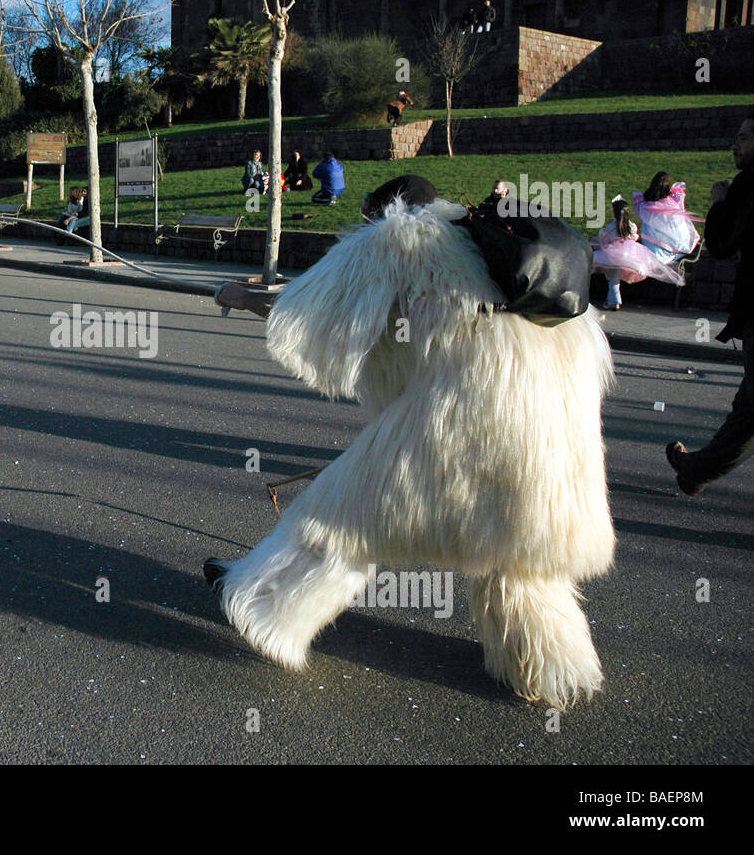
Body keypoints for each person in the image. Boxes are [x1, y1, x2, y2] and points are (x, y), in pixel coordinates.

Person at [209, 172, 615, 709]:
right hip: (560, 431)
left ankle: (263, 609)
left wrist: (241, 296)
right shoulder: (497, 248)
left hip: (470, 414)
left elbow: (312, 311)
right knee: (522, 549)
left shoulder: (400, 235)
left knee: (341, 515)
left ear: (384, 210)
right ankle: (547, 669)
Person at [667, 111, 754, 495]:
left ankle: (695, 469)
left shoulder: (747, 184)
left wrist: (720, 202)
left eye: (743, 137)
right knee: (747, 411)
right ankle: (694, 469)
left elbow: (720, 244)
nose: (734, 144)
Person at [592, 196, 683, 311]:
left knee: (612, 276)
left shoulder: (612, 226)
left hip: (613, 254)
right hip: (630, 253)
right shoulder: (631, 226)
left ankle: (613, 301)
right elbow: (635, 237)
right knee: (614, 277)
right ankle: (613, 300)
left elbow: (604, 238)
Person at [633, 170, 702, 266]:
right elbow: (679, 224)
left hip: (650, 248)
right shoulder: (673, 204)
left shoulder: (644, 205)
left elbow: (639, 216)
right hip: (667, 248)